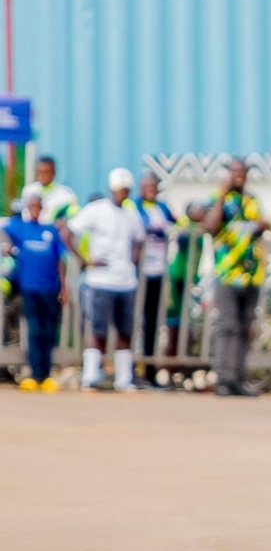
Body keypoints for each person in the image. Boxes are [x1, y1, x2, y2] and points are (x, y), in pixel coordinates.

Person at [62, 168, 146, 393]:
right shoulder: (96, 210)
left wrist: (133, 262)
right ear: (111, 189)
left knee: (125, 330)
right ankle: (91, 376)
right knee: (97, 329)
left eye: (125, 190)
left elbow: (139, 239)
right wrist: (85, 259)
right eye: (119, 189)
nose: (122, 193)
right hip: (100, 280)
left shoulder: (132, 214)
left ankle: (124, 378)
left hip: (125, 281)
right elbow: (67, 231)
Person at [202, 159, 269, 398]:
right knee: (227, 327)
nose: (239, 177)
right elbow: (210, 227)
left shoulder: (252, 201)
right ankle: (223, 379)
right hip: (227, 274)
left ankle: (238, 379)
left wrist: (261, 226)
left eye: (243, 173)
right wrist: (221, 194)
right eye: (235, 173)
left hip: (252, 275)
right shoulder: (219, 199)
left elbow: (253, 231)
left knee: (244, 329)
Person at [3, 185, 68, 391]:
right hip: (29, 288)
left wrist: (63, 286)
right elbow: (5, 230)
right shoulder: (20, 228)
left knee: (48, 331)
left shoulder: (49, 231)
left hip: (50, 288)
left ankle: (45, 375)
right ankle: (33, 373)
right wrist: (7, 247)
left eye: (37, 206)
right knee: (33, 330)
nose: (34, 209)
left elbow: (60, 259)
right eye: (31, 205)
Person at [134, 173, 176, 386]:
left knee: (152, 322)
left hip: (158, 271)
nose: (150, 189)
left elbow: (178, 223)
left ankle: (149, 371)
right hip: (137, 272)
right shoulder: (133, 206)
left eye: (153, 185)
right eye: (146, 185)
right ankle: (132, 369)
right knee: (134, 322)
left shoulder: (163, 208)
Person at [165, 202, 207, 370]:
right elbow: (181, 241)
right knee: (175, 324)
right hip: (178, 277)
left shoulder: (201, 230)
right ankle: (171, 366)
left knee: (188, 324)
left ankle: (183, 367)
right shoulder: (185, 226)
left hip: (190, 280)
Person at [23, 155, 77, 226]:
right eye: (40, 172)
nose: (43, 175)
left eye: (47, 172)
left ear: (54, 172)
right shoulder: (29, 190)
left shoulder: (65, 193)